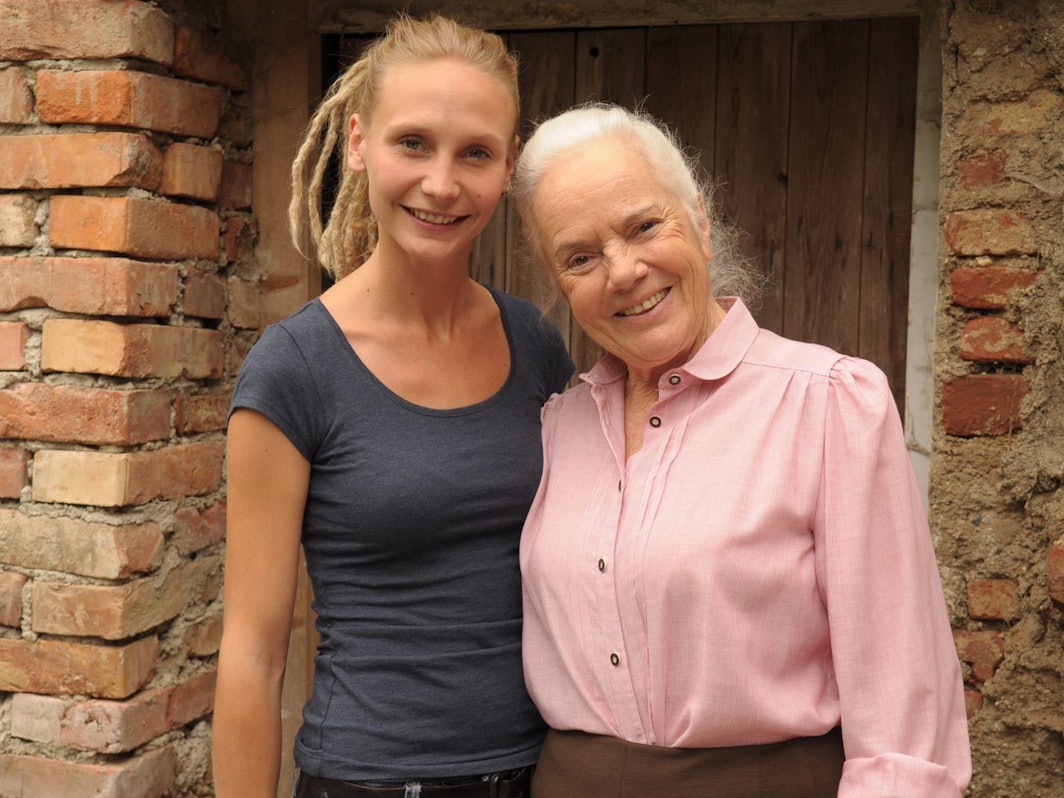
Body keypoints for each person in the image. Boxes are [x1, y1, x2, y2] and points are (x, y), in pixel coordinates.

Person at [512, 103, 972, 798]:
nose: (623, 271)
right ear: (559, 284)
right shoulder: (558, 425)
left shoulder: (828, 403)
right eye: (580, 257)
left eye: (644, 227)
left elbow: (902, 710)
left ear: (699, 220)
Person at [212, 14, 573, 798]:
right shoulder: (295, 369)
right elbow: (252, 654)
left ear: (509, 166)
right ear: (357, 143)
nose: (441, 183)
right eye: (412, 143)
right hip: (371, 781)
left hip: (545, 773)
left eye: (475, 152)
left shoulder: (538, 347)